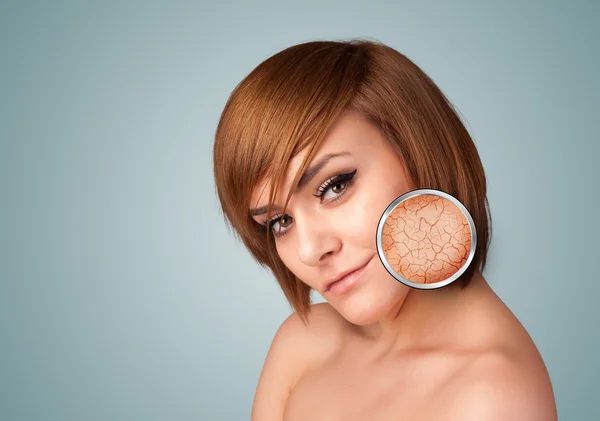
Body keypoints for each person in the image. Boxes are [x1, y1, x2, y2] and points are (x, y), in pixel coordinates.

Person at [212, 39, 557, 420]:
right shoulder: (303, 343)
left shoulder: (493, 396)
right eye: (280, 222)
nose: (310, 249)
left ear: (416, 149)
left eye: (335, 186)